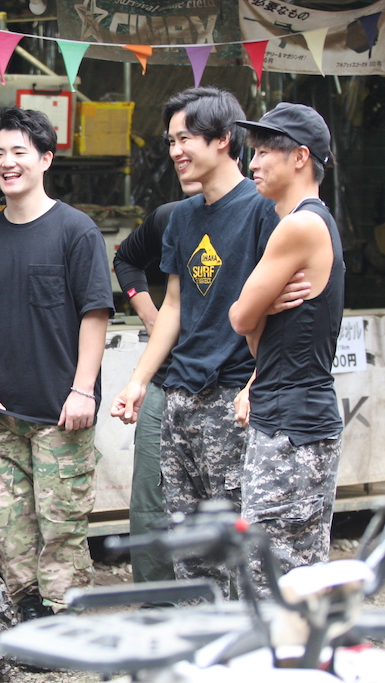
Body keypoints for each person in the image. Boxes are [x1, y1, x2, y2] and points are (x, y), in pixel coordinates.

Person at [110, 87, 280, 599]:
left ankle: (245, 639)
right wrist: (138, 381)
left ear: (224, 139)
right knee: (188, 544)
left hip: (234, 398)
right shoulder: (181, 217)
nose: (175, 151)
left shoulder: (263, 211)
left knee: (236, 540)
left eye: (185, 138)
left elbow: (282, 314)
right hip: (180, 397)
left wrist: (256, 383)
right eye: (171, 141)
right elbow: (175, 307)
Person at [0, 107, 113, 619]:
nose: (7, 162)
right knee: (9, 533)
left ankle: (67, 627)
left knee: (62, 533)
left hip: (60, 416)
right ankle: (26, 624)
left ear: (45, 159)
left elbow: (95, 313)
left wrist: (83, 389)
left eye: (19, 152)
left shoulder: (76, 231)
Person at [230, 103, 344, 595]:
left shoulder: (300, 225)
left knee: (273, 583)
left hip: (293, 427)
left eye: (263, 152)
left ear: (300, 157)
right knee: (286, 579)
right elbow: (258, 340)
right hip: (286, 417)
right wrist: (262, 311)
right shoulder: (305, 222)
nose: (252, 163)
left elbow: (240, 317)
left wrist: (255, 309)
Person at [113, 188, 191, 587]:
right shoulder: (170, 216)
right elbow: (125, 259)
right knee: (150, 500)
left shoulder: (257, 216)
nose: (180, 157)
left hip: (227, 385)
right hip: (165, 379)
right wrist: (149, 315)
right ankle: (156, 604)